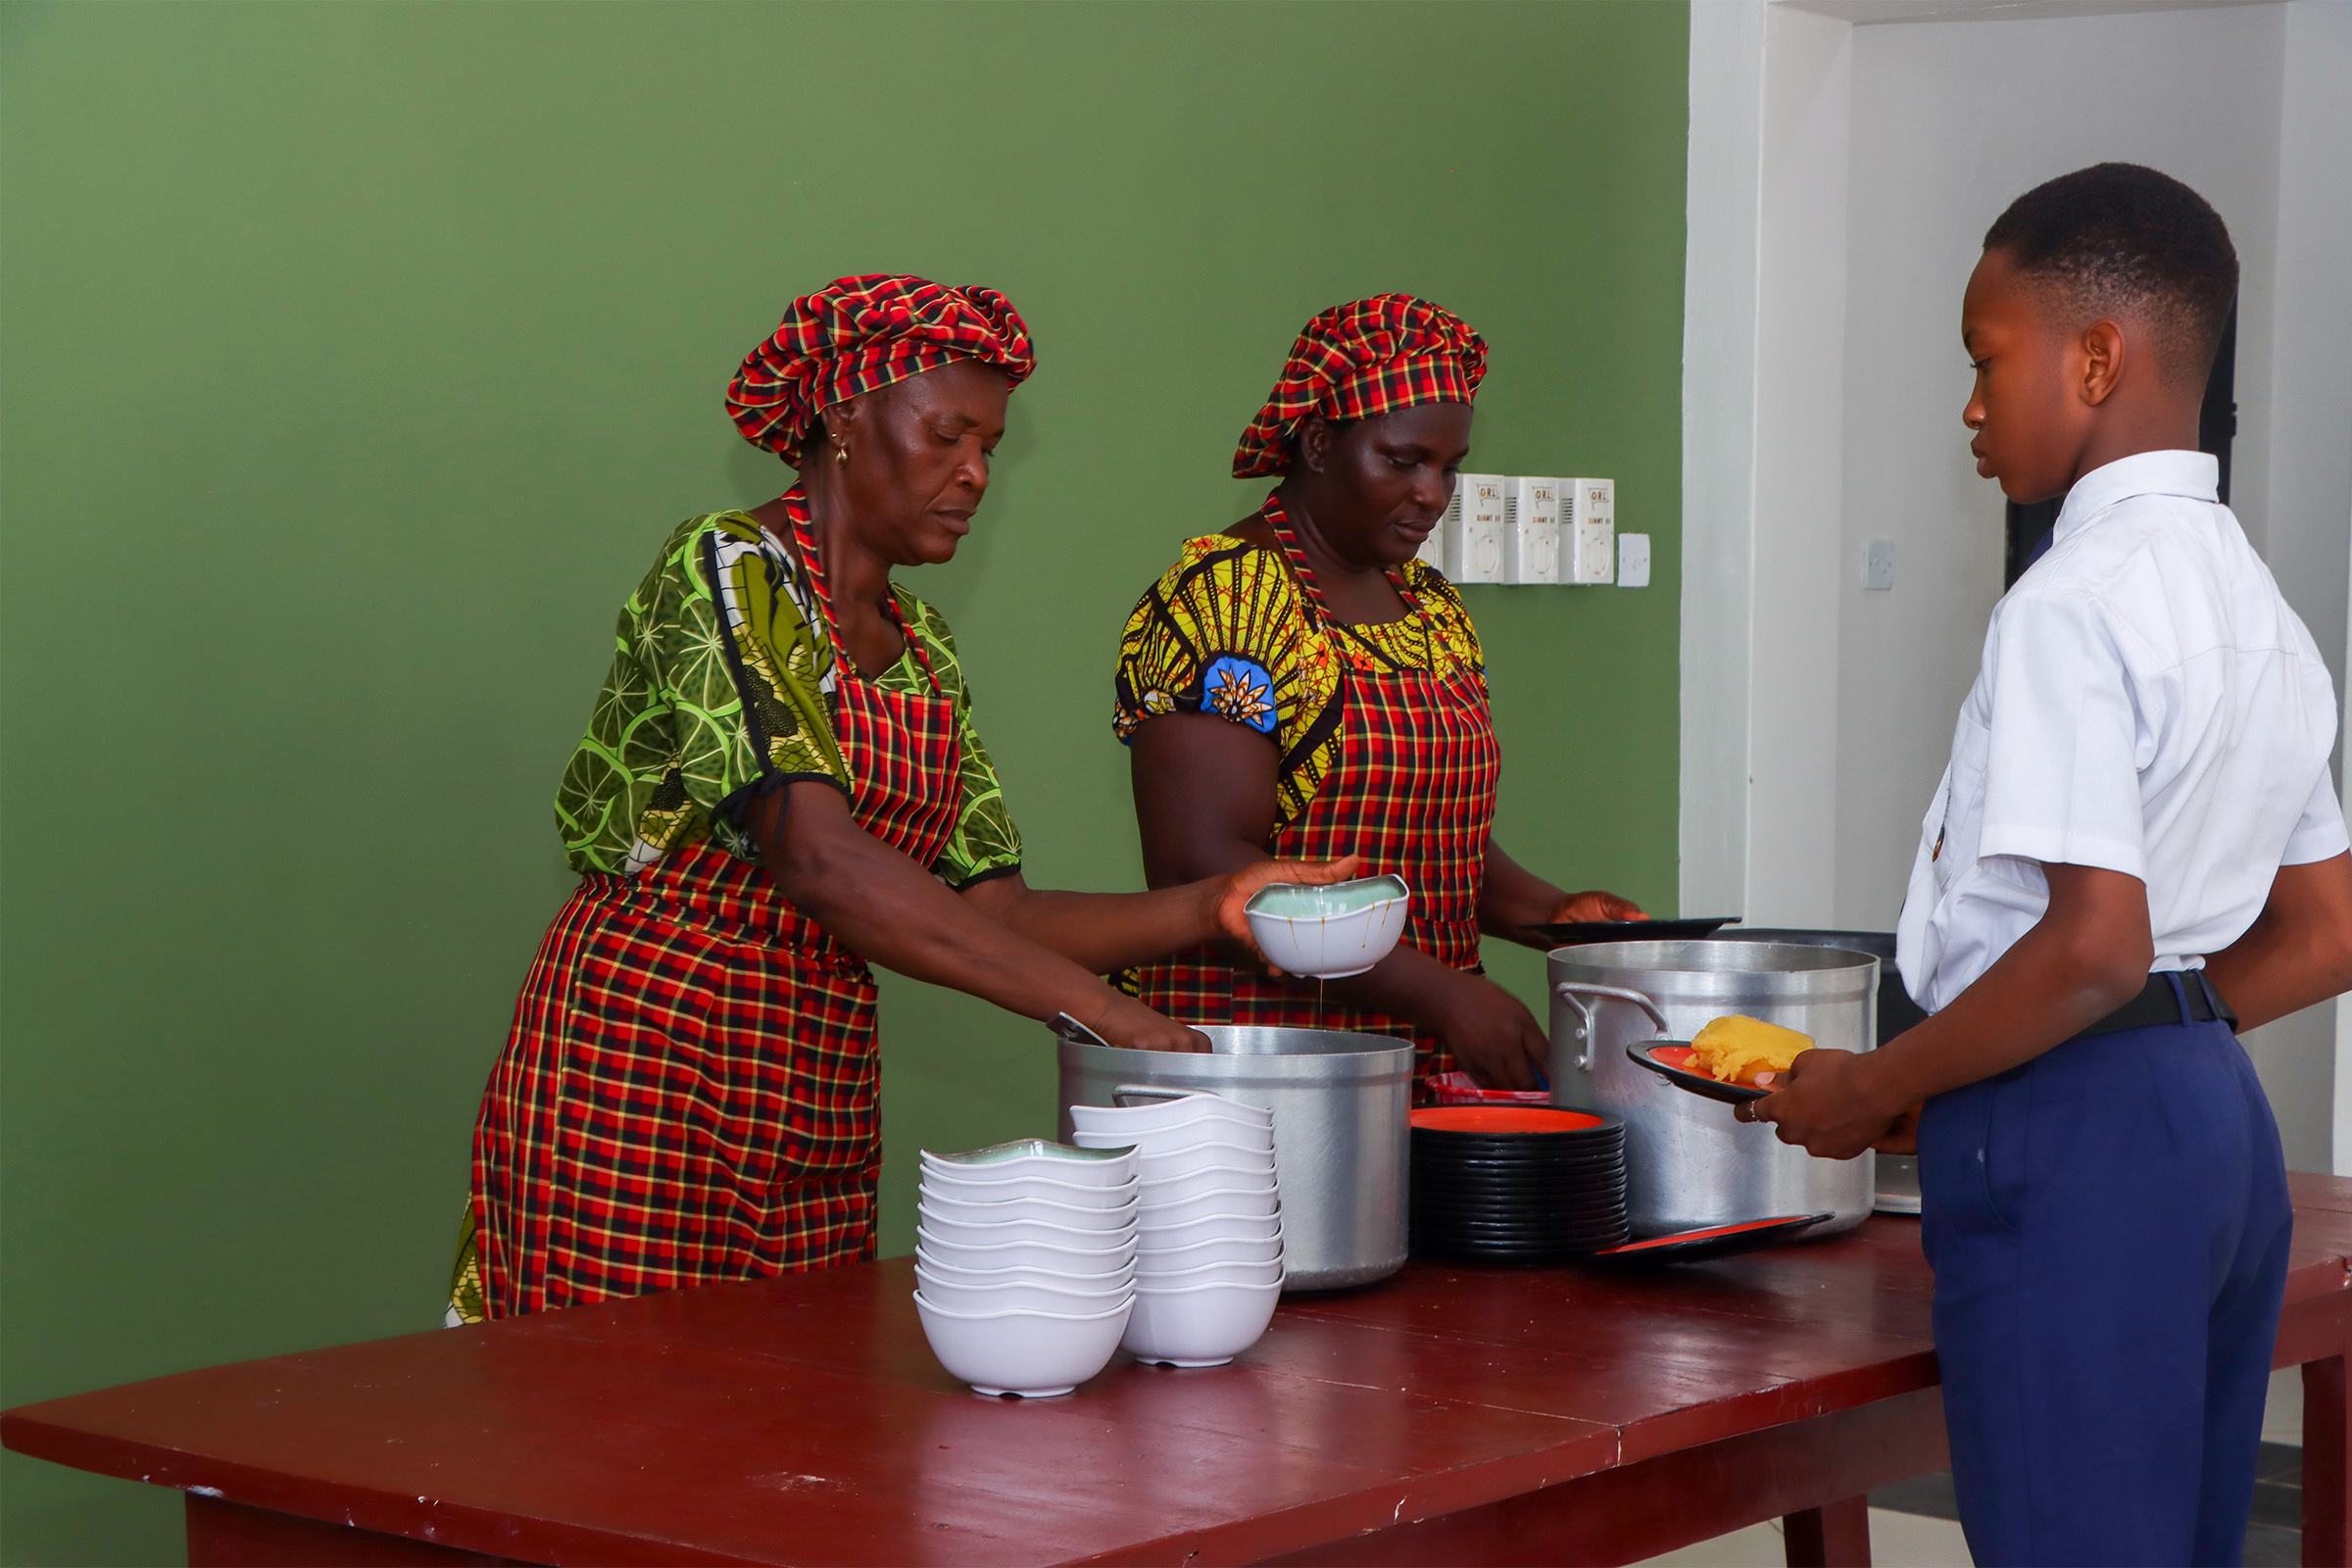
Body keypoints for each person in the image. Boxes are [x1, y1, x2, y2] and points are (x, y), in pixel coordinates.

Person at [453, 275, 1353, 1323]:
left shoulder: (927, 654)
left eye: (991, 447)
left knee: (794, 1426)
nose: (974, 473)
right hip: (648, 1069)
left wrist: (1214, 905)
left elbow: (995, 911)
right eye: (946, 434)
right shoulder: (728, 569)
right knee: (620, 1426)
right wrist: (1104, 1013)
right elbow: (817, 855)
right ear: (842, 416)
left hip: (816, 1078)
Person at [1746, 166, 2352, 1565]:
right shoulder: (2256, 603)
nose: (1968, 405)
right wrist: (2047, 1052)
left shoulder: (2068, 604)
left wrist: (1880, 1081)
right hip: (2212, 1124)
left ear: (2096, 358)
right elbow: (2325, 931)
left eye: (1985, 360)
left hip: (2075, 1137)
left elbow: (2092, 947)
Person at [1110, 295, 1645, 1097]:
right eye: (1404, 461)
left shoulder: (1430, 606)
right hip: (1264, 1058)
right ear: (1321, 444)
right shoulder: (1225, 599)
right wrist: (1438, 990)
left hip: (1414, 1057)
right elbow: (1204, 861)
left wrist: (1559, 914)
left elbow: (1439, 845)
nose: (1433, 493)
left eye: (1449, 466)